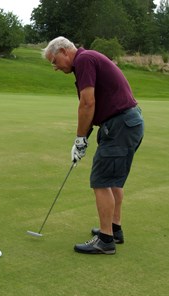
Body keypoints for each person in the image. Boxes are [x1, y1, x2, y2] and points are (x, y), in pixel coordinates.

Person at [42, 36, 144, 255]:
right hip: (126, 123)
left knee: (102, 181)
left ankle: (105, 240)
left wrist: (80, 139)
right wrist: (84, 136)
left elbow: (87, 102)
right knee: (113, 179)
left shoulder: (84, 60)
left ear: (64, 51)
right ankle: (114, 228)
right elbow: (93, 106)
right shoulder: (87, 59)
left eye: (54, 61)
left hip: (120, 125)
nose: (55, 68)